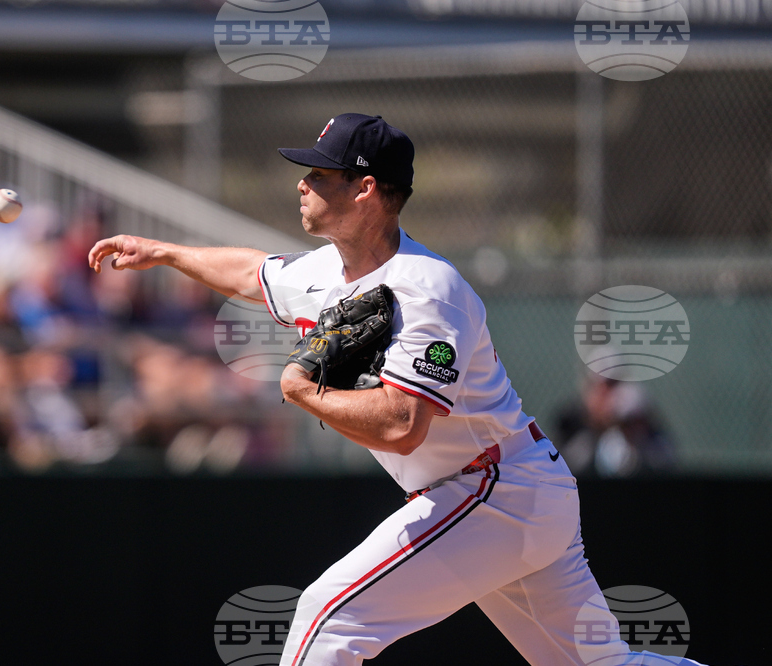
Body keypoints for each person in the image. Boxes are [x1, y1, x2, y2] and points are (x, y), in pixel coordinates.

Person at [89, 114, 705, 666]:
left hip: (492, 487)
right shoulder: (331, 270)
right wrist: (164, 252)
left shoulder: (427, 291)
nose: (303, 182)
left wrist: (301, 392)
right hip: (513, 488)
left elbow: (404, 425)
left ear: (365, 189)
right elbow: (254, 273)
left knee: (325, 619)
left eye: (321, 173)